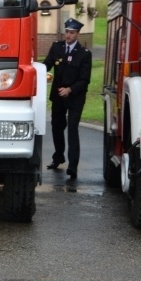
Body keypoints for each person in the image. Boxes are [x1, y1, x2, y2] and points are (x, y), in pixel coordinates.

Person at [43, 18, 92, 180]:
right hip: (58, 94)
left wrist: (70, 89)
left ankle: (73, 166)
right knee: (57, 126)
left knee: (72, 128)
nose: (68, 35)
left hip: (75, 96)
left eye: (72, 33)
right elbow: (47, 64)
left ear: (77, 34)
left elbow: (85, 79)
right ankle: (58, 157)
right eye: (67, 32)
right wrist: (36, 71)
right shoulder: (57, 47)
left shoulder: (84, 54)